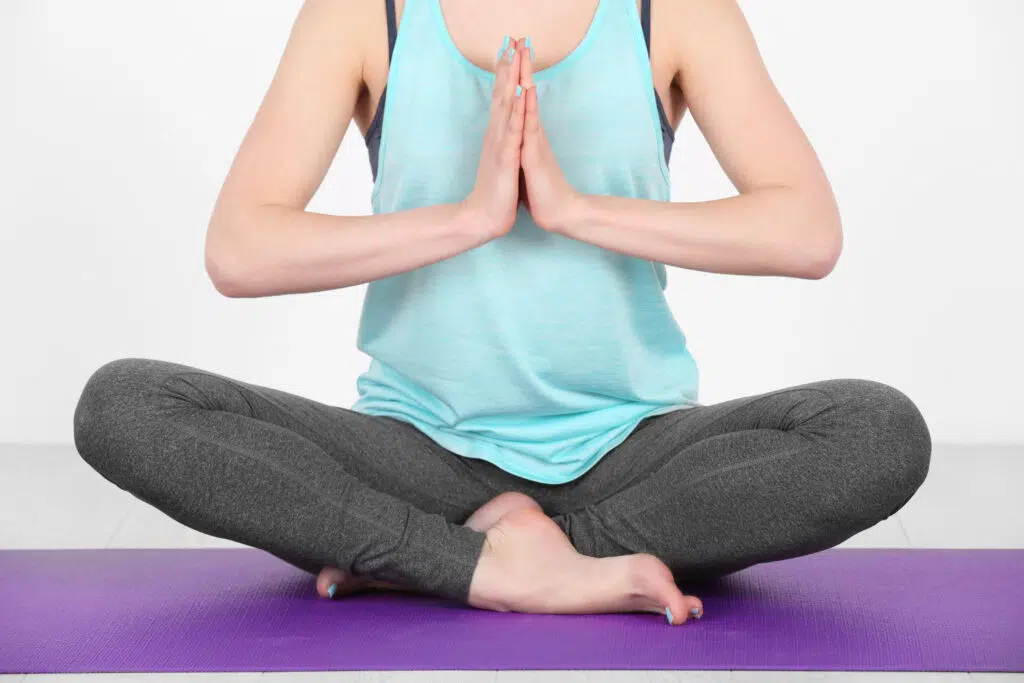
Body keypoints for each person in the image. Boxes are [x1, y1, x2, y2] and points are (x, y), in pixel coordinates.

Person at [73, 0, 931, 626]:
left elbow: (807, 230)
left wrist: (571, 209)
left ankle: (497, 554)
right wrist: (469, 219)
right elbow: (238, 248)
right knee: (125, 404)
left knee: (876, 430)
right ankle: (512, 563)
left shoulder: (672, 12)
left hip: (631, 453)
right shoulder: (364, 16)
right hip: (420, 458)